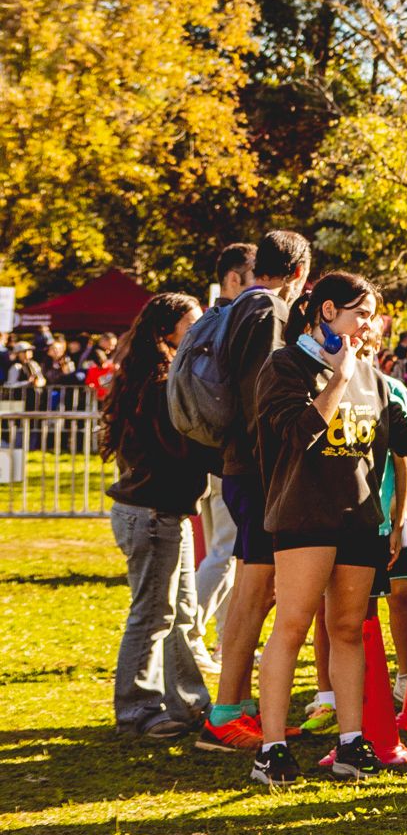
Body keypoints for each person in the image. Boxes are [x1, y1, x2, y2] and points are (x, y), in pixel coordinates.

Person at [247, 272, 407, 785]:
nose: (370, 324)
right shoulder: (285, 366)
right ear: (326, 312)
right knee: (293, 626)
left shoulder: (373, 376)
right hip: (304, 518)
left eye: (372, 315)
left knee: (348, 629)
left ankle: (351, 742)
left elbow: (406, 438)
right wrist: (339, 377)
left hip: (360, 519)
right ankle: (271, 749)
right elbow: (299, 433)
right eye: (360, 313)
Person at [203, 230, 311, 753]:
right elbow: (265, 396)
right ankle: (226, 711)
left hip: (242, 465)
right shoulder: (268, 311)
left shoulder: (241, 306)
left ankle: (240, 704)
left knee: (259, 586)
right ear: (300, 274)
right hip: (258, 468)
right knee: (254, 587)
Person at [103, 293, 216, 740]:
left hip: (166, 513)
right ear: (166, 333)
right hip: (151, 513)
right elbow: (181, 448)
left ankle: (187, 700)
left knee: (183, 612)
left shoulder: (161, 377)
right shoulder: (159, 383)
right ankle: (138, 709)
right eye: (192, 324)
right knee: (152, 615)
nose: (201, 331)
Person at [190, 242, 257, 658]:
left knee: (226, 555)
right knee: (225, 553)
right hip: (226, 460)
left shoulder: (211, 321)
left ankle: (222, 643)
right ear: (234, 278)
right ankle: (188, 633)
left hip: (215, 458)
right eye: (255, 273)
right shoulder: (231, 320)